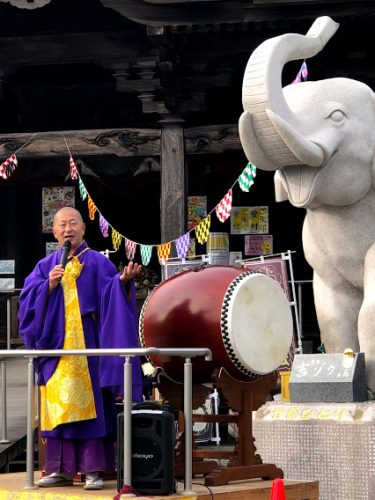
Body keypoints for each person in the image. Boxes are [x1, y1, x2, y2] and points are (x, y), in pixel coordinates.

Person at [18, 207, 143, 490]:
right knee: (59, 409)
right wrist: (47, 286)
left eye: (73, 223)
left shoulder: (98, 262)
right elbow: (27, 300)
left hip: (89, 345)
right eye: (62, 224)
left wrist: (121, 282)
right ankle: (59, 470)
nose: (68, 229)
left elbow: (111, 296)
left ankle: (93, 470)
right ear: (54, 231)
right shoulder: (45, 266)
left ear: (83, 229)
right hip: (56, 348)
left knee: (92, 408)